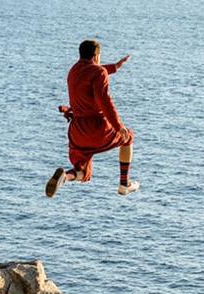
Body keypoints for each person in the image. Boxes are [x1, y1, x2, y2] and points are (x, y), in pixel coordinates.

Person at [46, 39, 138, 197]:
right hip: (98, 129)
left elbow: (90, 74)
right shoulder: (99, 72)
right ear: (96, 56)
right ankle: (124, 184)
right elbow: (105, 102)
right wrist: (118, 127)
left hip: (78, 132)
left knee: (82, 171)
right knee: (128, 137)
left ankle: (64, 177)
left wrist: (114, 67)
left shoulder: (73, 71)